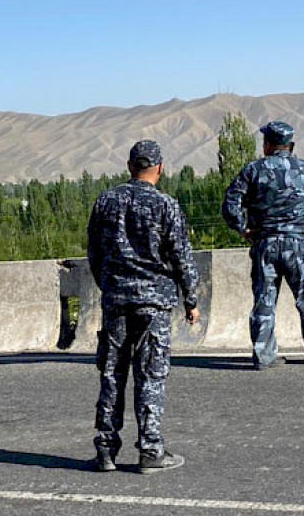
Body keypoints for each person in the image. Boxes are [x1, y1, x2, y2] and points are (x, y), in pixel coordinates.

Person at [86, 140, 200, 474]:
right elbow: (181, 256)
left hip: (117, 300)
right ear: (160, 169)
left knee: (111, 373)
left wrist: (108, 286)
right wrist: (190, 299)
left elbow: (94, 251)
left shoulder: (106, 201)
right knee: (150, 375)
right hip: (154, 302)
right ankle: (150, 450)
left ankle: (106, 449)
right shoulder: (166, 204)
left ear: (129, 166)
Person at [222, 121, 304, 370]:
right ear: (290, 145)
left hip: (266, 243)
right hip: (298, 245)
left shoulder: (253, 170)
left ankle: (264, 355)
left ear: (267, 145)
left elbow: (231, 203)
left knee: (265, 299)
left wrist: (242, 228)